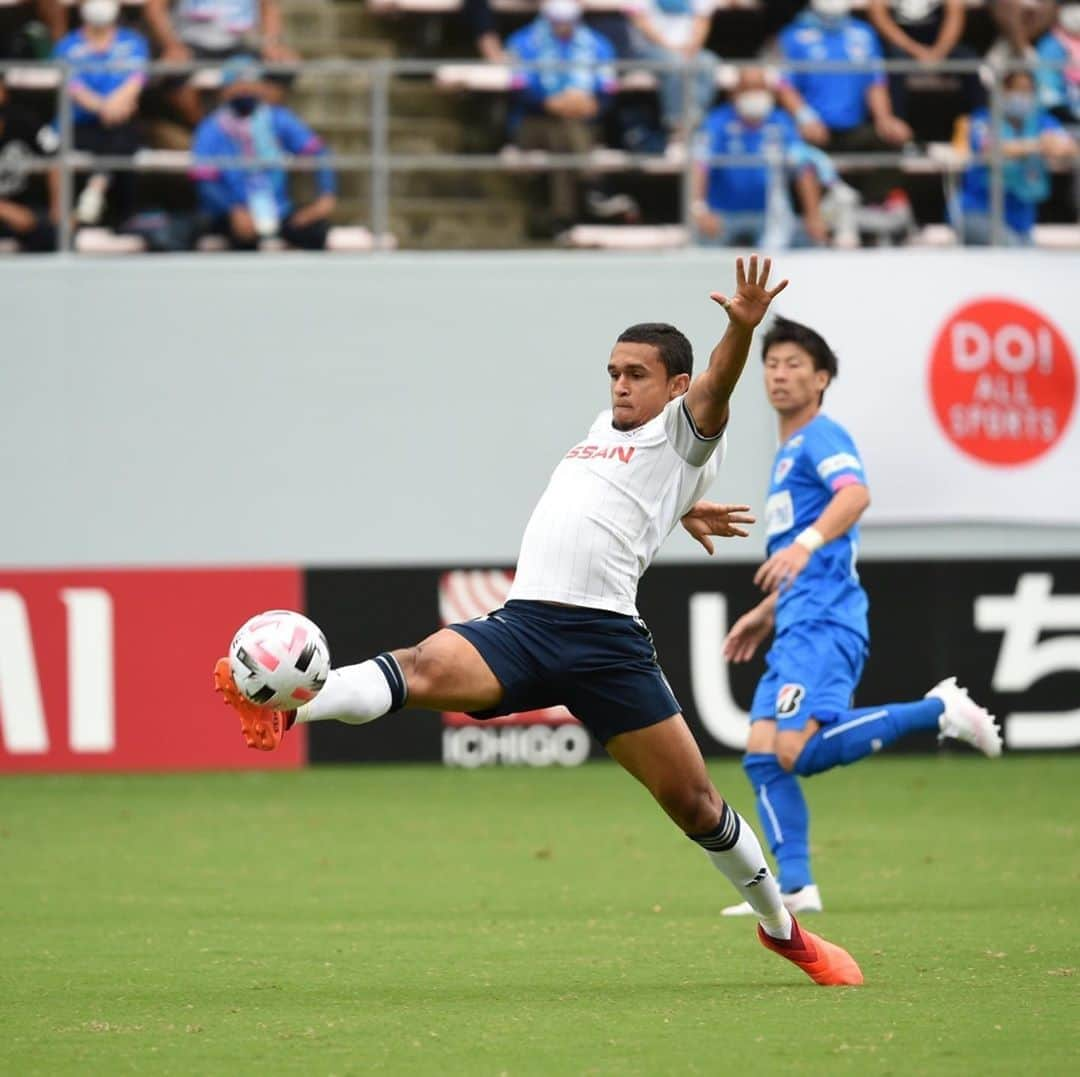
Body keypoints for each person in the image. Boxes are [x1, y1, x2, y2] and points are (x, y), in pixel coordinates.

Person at [215, 255, 865, 988]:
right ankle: (291, 704)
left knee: (695, 803)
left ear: (676, 386)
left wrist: (739, 330)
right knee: (420, 665)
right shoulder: (608, 426)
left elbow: (715, 388)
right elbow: (624, 490)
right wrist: (681, 506)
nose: (619, 383)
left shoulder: (689, 427)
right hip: (524, 624)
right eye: (613, 371)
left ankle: (785, 931)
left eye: (636, 373)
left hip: (607, 643)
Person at [713, 316, 1002, 918]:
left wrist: (805, 543)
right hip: (796, 619)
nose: (779, 375)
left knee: (797, 750)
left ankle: (939, 709)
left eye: (795, 365)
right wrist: (767, 610)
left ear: (821, 379)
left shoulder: (822, 435)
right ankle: (796, 887)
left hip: (826, 622)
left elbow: (855, 495)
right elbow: (804, 554)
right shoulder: (787, 452)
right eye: (772, 364)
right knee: (763, 756)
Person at [507, 1, 636, 234]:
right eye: (557, 21)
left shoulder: (597, 43)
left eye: (568, 21)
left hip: (582, 123)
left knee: (563, 139)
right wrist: (549, 102)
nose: (563, 27)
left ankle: (563, 220)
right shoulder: (522, 41)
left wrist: (591, 104)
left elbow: (607, 89)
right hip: (533, 124)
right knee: (564, 128)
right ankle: (594, 186)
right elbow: (520, 89)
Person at [775, 0, 914, 208]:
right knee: (795, 151)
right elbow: (784, 85)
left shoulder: (864, 34)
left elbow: (875, 82)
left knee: (892, 139)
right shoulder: (792, 35)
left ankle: (874, 206)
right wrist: (805, 117)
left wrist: (884, 118)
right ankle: (810, 216)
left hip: (852, 128)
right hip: (812, 129)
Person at [190, 57, 337, 250]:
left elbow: (319, 152)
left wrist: (325, 197)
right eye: (237, 84)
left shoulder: (276, 118)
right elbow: (204, 180)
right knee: (238, 240)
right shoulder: (212, 127)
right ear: (224, 90)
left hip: (277, 210)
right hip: (233, 214)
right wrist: (234, 210)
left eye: (250, 83)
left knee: (315, 232)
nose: (244, 90)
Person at [692, 67, 830, 248]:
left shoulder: (781, 121)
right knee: (702, 247)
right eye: (748, 88)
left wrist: (813, 216)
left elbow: (803, 168)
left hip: (770, 216)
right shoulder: (716, 122)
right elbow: (700, 166)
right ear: (734, 93)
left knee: (812, 243)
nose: (755, 94)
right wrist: (700, 210)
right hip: (723, 216)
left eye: (760, 88)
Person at [951, 67, 1077, 245]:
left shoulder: (1040, 121)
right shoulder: (983, 119)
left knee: (1033, 262)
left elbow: (1068, 144)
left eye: (1028, 90)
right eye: (1018, 90)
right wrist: (1036, 145)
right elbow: (990, 149)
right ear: (1003, 91)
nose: (1023, 96)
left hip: (1021, 221)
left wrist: (1062, 146)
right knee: (1013, 250)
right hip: (977, 213)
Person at [53, 0, 150, 226]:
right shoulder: (67, 46)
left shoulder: (133, 42)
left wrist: (117, 105)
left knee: (124, 140)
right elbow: (74, 88)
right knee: (119, 143)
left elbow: (135, 81)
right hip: (81, 125)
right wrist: (104, 107)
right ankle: (100, 212)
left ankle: (98, 191)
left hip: (120, 122)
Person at [144, 0, 299, 126]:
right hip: (192, 44)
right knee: (172, 72)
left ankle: (250, 131)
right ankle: (209, 133)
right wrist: (172, 45)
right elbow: (154, 8)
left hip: (243, 43)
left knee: (285, 65)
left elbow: (269, 6)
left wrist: (271, 43)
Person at [866, 0, 984, 127]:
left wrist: (939, 51)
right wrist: (915, 50)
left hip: (938, 42)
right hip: (900, 43)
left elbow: (955, 15)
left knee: (968, 61)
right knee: (894, 63)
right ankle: (896, 128)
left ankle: (981, 123)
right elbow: (878, 16)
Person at [625, 0, 719, 148]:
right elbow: (640, 22)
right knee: (674, 64)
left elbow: (703, 21)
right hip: (650, 49)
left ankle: (696, 125)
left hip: (688, 49)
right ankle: (676, 128)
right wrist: (669, 47)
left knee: (708, 62)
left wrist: (692, 46)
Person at [0, 76, 59, 251]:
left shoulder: (24, 121)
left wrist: (59, 207)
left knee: (53, 233)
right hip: (10, 212)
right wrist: (5, 210)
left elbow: (56, 157)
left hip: (23, 209)